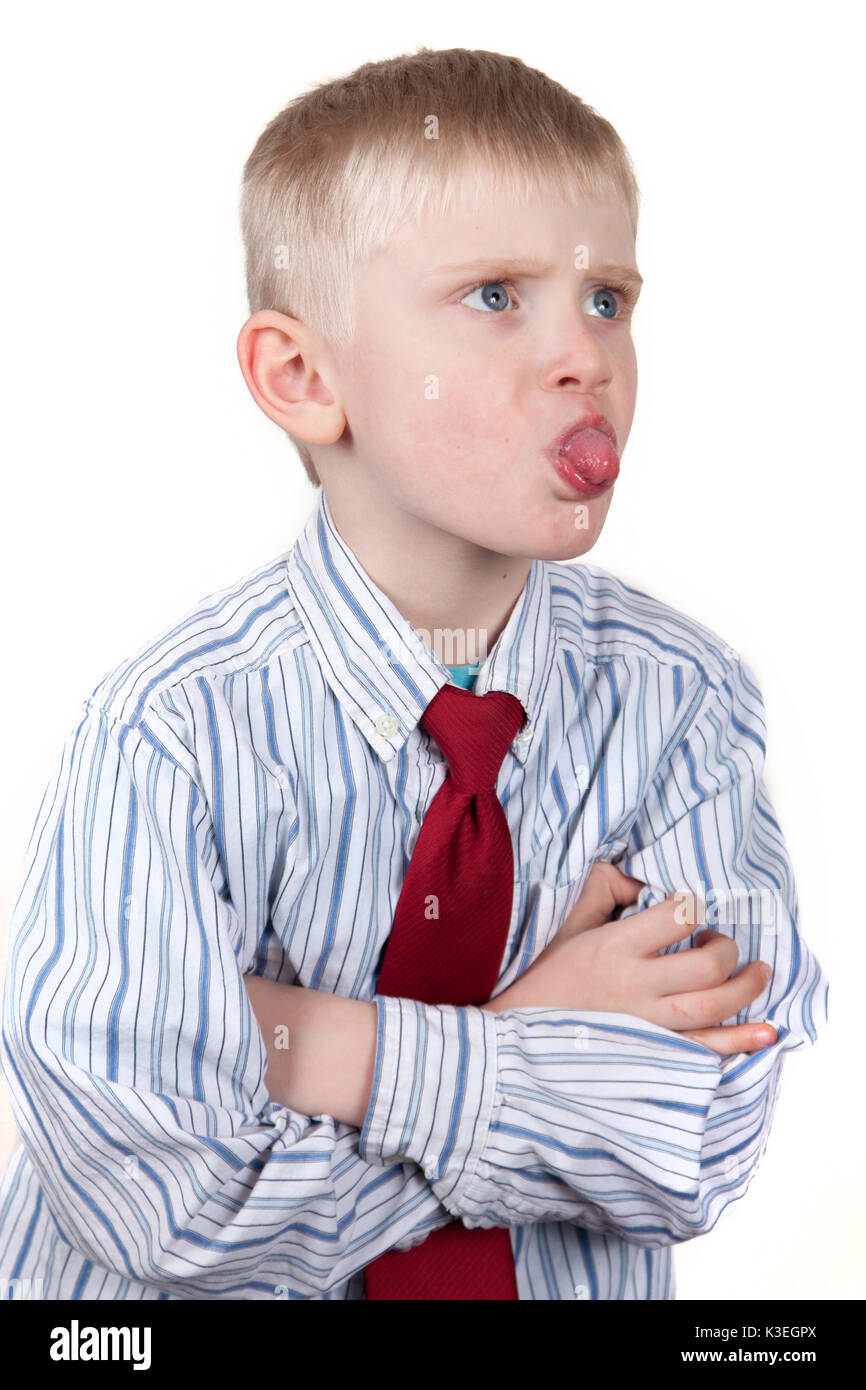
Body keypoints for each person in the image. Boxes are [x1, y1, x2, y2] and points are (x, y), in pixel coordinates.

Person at [0, 46, 828, 1301]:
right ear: (304, 378)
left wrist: (309, 1040)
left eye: (606, 297)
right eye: (496, 295)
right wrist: (525, 1038)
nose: (582, 356)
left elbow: (694, 1142)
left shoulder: (681, 706)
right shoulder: (173, 730)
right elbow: (163, 1204)